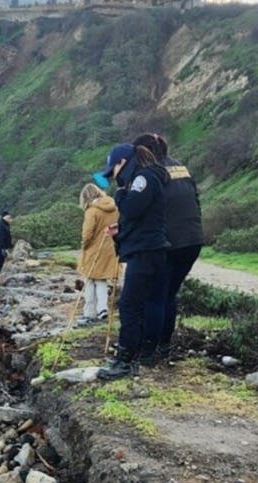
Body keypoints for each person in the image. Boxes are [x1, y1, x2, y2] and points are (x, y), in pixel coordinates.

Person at [95, 142, 170, 380]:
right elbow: (140, 216)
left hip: (146, 251)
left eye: (113, 171)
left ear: (122, 163)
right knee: (138, 305)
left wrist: (120, 195)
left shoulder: (143, 179)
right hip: (150, 249)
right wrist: (122, 229)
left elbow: (132, 209)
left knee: (129, 306)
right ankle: (133, 356)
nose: (114, 177)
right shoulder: (144, 177)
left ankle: (125, 361)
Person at [133, 133, 205, 365]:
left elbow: (143, 209)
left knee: (154, 296)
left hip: (167, 242)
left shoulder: (152, 173)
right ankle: (164, 346)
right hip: (192, 239)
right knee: (168, 296)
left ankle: (147, 352)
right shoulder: (181, 169)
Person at [76, 183, 120, 323]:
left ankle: (89, 313)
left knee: (89, 280)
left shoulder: (92, 211)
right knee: (101, 279)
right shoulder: (114, 207)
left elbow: (87, 234)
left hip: (94, 250)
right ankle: (103, 309)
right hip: (111, 248)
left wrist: (84, 246)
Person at [0, 209, 13, 275]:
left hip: (3, 247)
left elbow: (7, 237)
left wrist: (10, 246)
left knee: (1, 261)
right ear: (5, 217)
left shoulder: (6, 225)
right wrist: (3, 248)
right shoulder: (1, 225)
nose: (10, 218)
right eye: (9, 217)